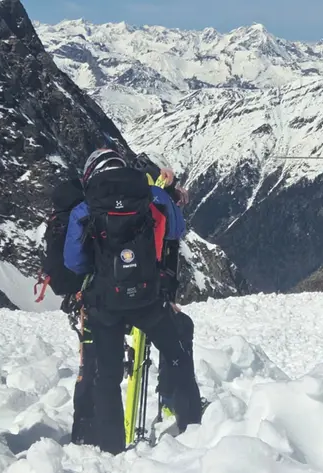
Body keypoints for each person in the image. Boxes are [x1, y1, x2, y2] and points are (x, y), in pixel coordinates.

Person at [63, 149, 202, 454]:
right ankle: (194, 426)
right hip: (149, 299)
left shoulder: (85, 208)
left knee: (108, 377)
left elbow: (73, 261)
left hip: (106, 306)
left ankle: (112, 450)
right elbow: (176, 231)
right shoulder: (153, 196)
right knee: (176, 355)